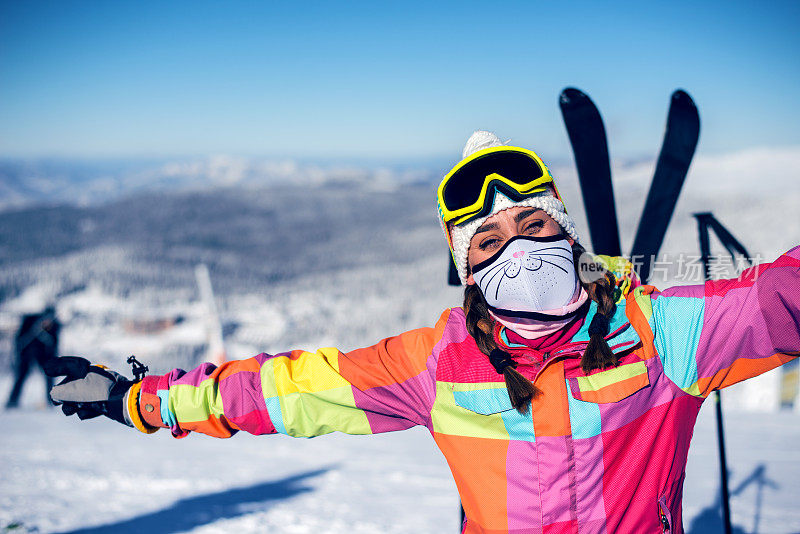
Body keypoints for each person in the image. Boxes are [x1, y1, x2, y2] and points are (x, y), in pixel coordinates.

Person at [45, 131, 800, 533]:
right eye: (488, 239)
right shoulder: (439, 366)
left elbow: (781, 295)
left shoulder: (663, 334)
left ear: (569, 239)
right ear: (466, 269)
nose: (517, 247)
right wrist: (141, 400)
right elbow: (284, 391)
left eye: (534, 224)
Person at [6, 305, 59, 408]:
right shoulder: (30, 320)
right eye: (46, 318)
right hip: (27, 353)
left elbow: (54, 344)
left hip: (43, 356)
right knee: (21, 376)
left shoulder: (55, 326)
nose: (48, 322)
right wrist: (18, 354)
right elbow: (19, 339)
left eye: (50, 319)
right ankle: (12, 401)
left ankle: (51, 400)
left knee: (49, 375)